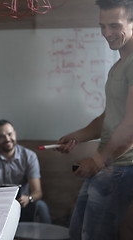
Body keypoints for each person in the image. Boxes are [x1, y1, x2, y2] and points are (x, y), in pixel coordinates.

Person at [55, 0, 133, 239]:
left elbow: (130, 126)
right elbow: (109, 118)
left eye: (114, 25)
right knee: (78, 232)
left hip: (121, 169)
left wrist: (98, 160)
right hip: (108, 167)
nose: (106, 33)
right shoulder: (118, 66)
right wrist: (76, 136)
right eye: (102, 26)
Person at [0, 119, 51, 223]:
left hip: (22, 204)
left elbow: (38, 192)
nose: (7, 139)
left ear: (15, 134)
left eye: (10, 134)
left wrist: (28, 198)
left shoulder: (29, 156)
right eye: (1, 136)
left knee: (41, 206)